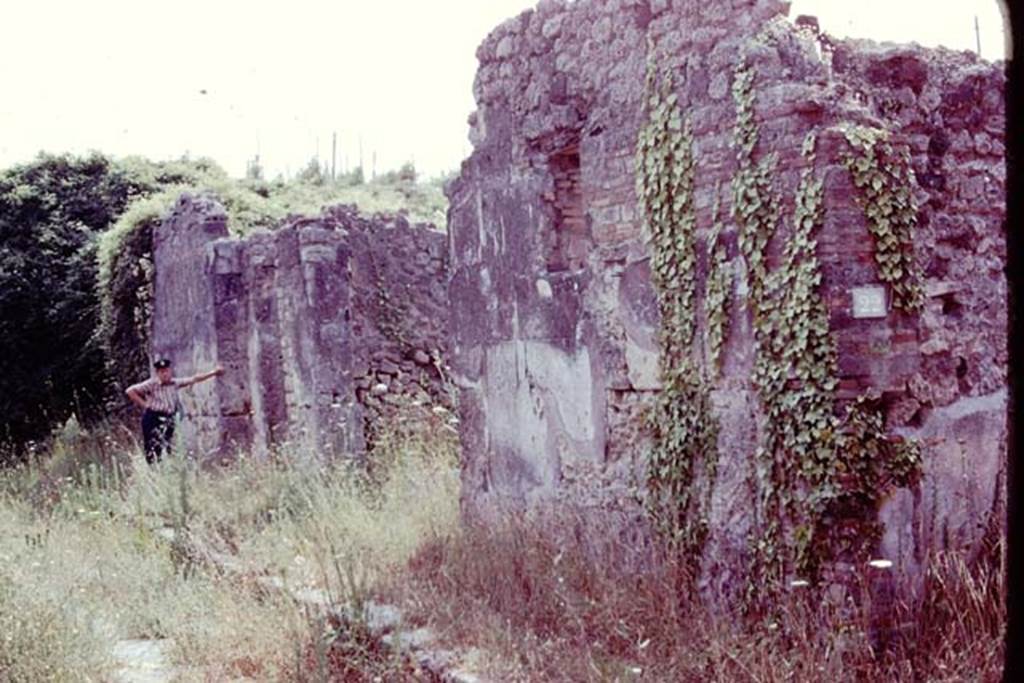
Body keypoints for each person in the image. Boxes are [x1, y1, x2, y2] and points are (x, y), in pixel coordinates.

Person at [126, 358, 224, 463]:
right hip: (153, 418)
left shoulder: (174, 383)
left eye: (166, 371)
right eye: (162, 372)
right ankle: (152, 468)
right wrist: (145, 405)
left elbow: (194, 379)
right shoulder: (152, 384)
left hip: (168, 418)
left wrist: (214, 373)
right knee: (152, 445)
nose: (165, 374)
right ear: (157, 373)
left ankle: (165, 468)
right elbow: (130, 391)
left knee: (166, 444)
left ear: (170, 371)